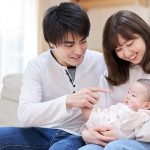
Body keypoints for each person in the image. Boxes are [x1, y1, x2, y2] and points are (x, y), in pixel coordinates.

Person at [0, 2, 106, 150]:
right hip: (41, 133)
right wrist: (68, 101)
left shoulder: (100, 62)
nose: (78, 51)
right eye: (69, 45)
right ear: (51, 43)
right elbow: (25, 115)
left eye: (83, 41)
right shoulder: (36, 66)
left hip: (78, 135)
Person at [79, 10, 150, 150]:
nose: (127, 53)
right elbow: (100, 115)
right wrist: (86, 133)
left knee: (116, 147)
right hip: (112, 137)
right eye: (119, 49)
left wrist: (124, 134)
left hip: (142, 137)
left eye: (130, 44)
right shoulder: (111, 74)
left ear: (144, 34)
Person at [82, 79, 150, 141]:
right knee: (93, 111)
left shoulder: (140, 115)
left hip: (110, 132)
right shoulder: (124, 106)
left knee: (90, 113)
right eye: (128, 92)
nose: (128, 96)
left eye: (133, 95)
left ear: (146, 105)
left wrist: (131, 111)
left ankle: (89, 116)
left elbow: (126, 124)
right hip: (105, 123)